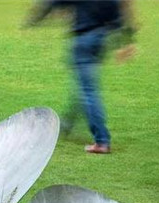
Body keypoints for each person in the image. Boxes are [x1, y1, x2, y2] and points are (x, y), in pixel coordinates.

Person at [24, 0, 136, 154]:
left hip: (84, 40)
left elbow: (54, 2)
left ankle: (102, 141)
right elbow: (118, 12)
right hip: (101, 40)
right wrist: (126, 41)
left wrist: (35, 19)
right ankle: (67, 123)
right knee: (83, 85)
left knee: (88, 91)